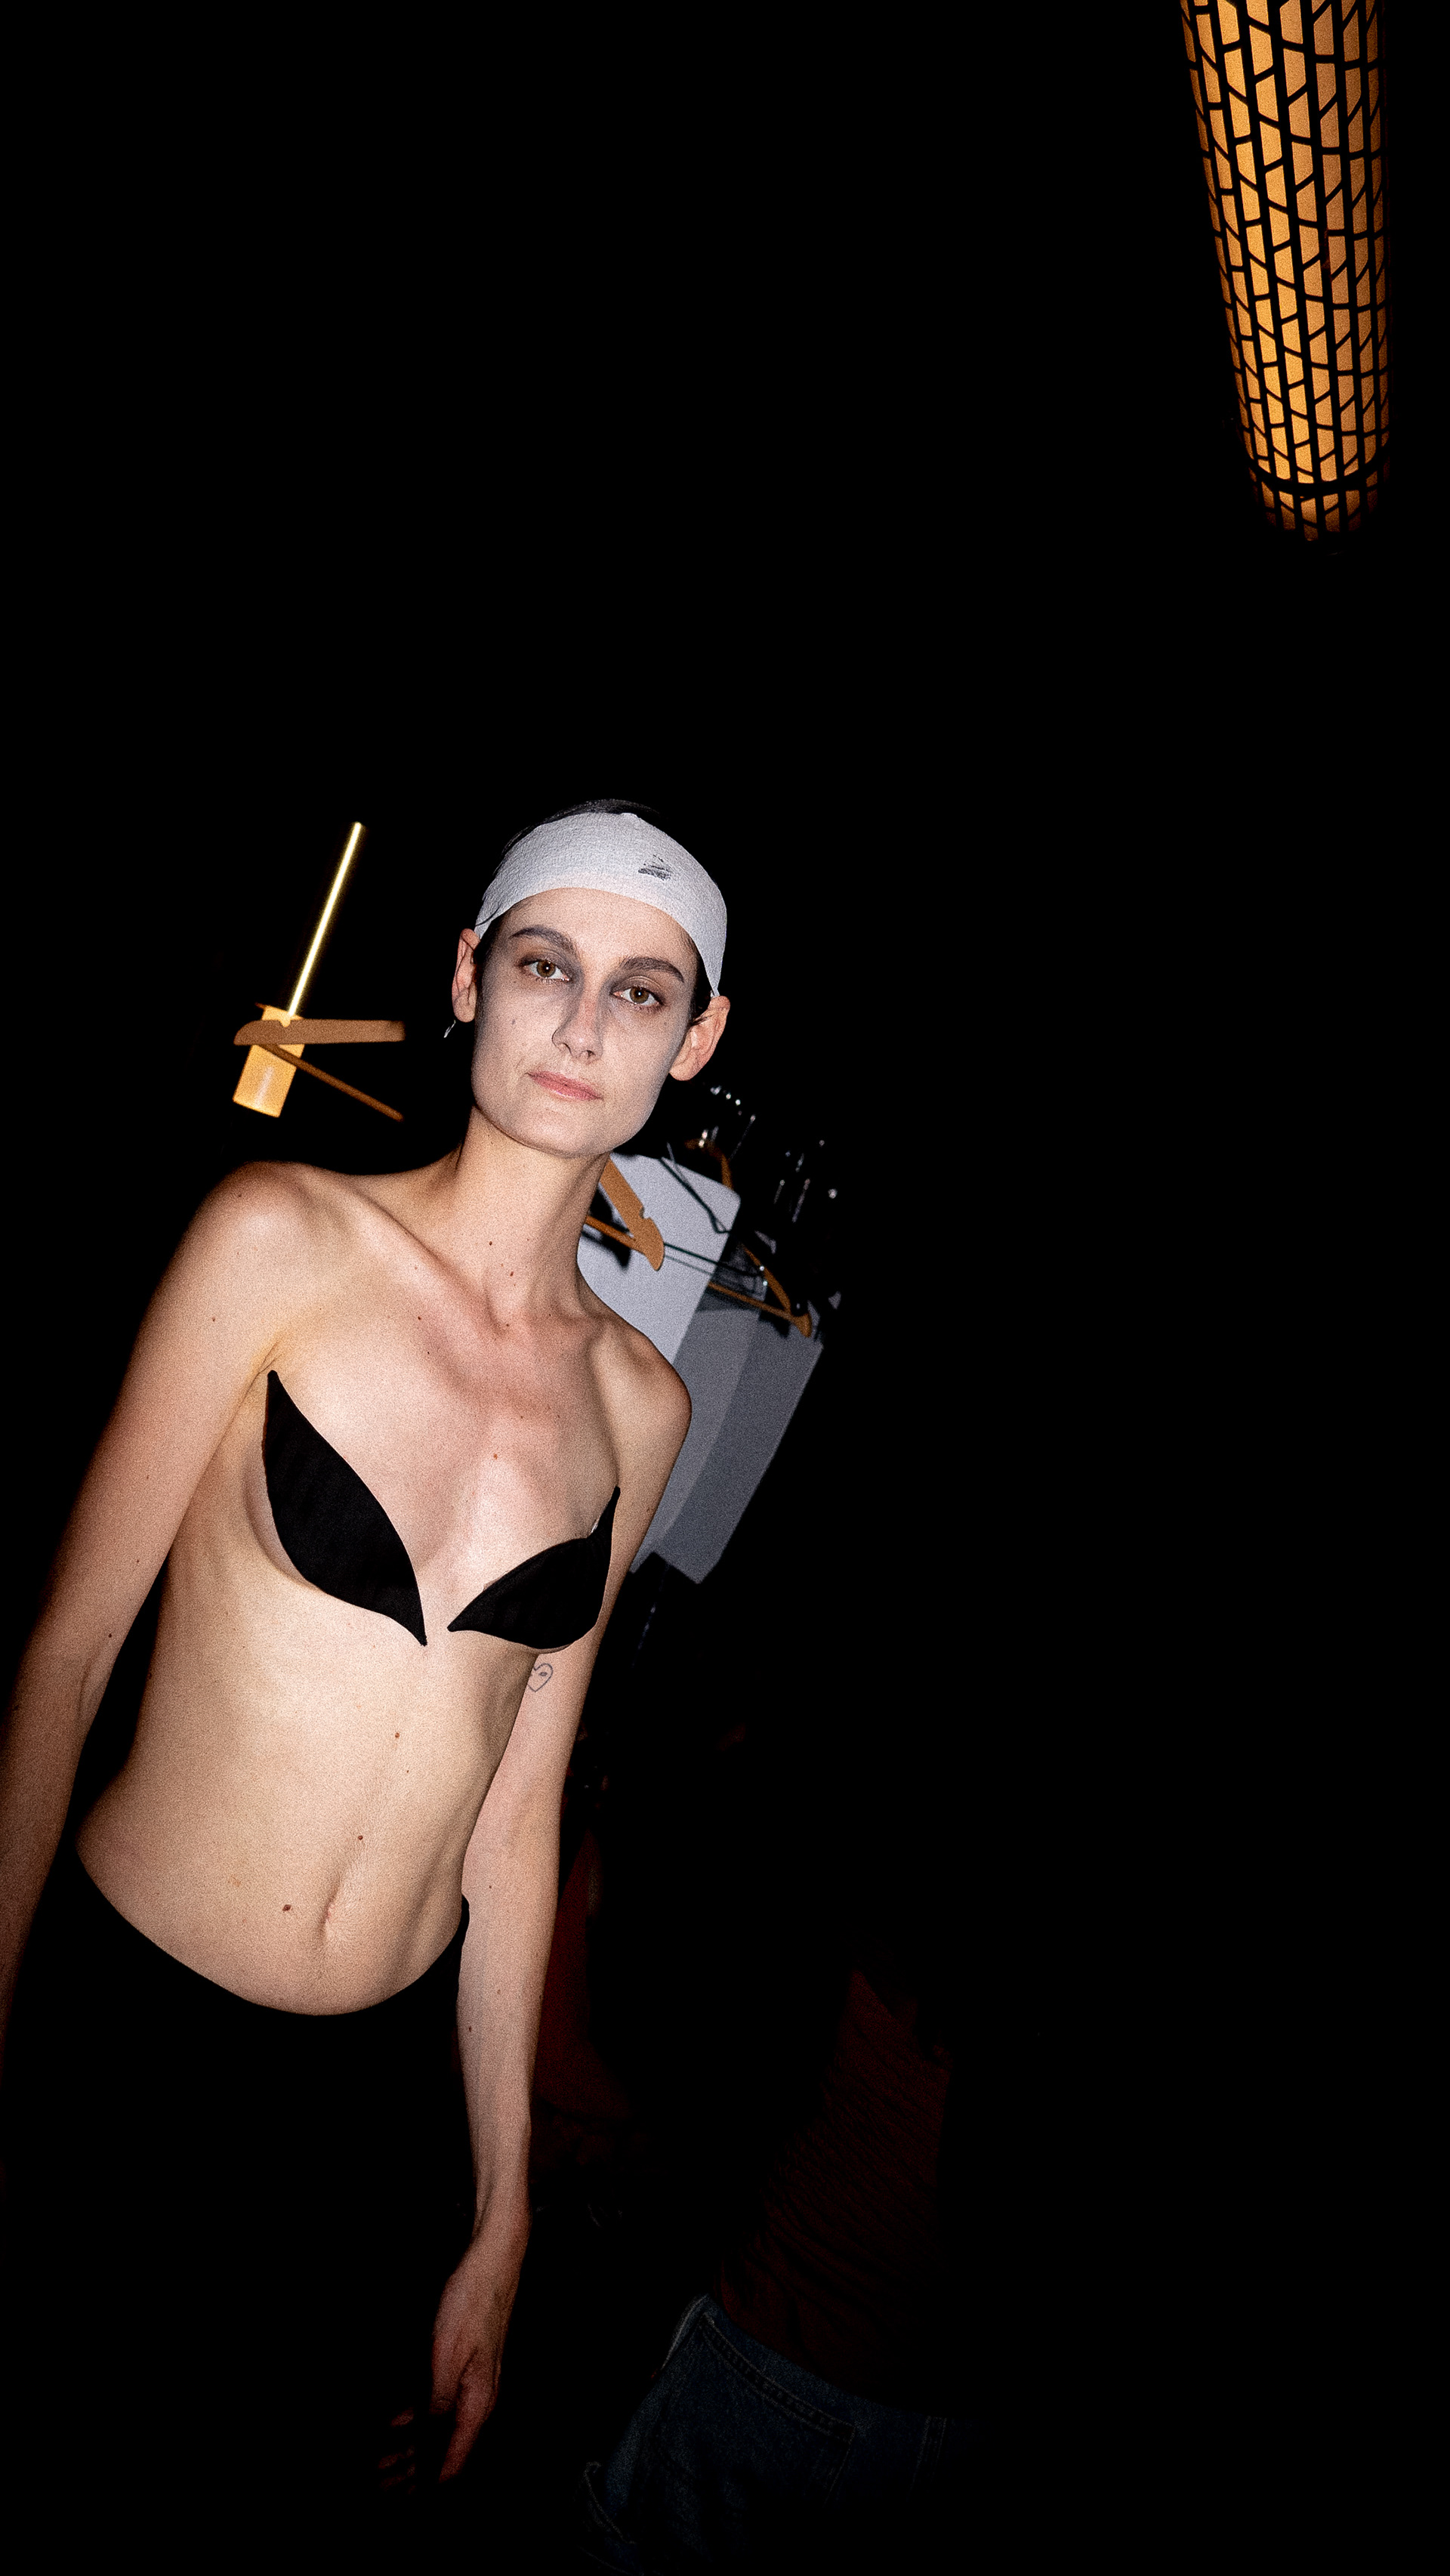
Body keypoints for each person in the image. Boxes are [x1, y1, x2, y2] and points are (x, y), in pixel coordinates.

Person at [0, 802, 730, 2534]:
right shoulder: (281, 1238)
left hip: (370, 2107)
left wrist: (501, 2211)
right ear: (470, 977)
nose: (582, 1023)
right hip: (130, 2036)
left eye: (640, 992)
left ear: (696, 1040)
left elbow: (518, 1815)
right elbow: (65, 1656)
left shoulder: (641, 1405)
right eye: (546, 966)